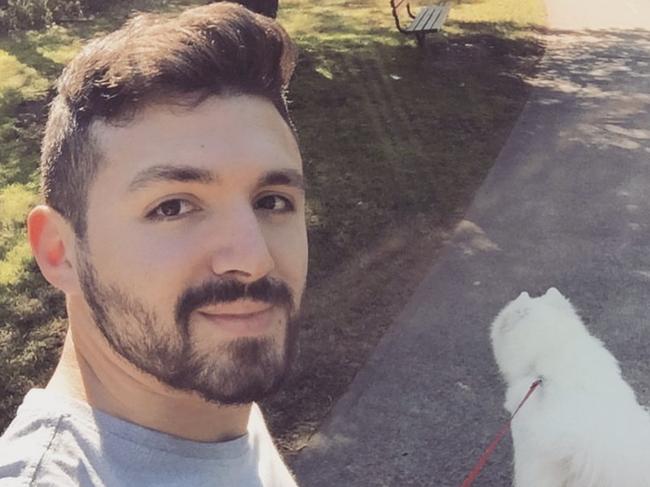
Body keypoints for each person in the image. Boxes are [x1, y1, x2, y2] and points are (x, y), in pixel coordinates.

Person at [0, 3, 306, 486]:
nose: (252, 260)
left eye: (271, 201)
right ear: (59, 251)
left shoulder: (212, 404)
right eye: (173, 207)